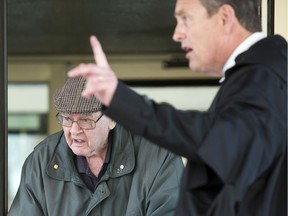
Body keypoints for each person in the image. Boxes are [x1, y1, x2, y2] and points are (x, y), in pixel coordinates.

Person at [67, 0, 287, 215]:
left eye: (185, 19)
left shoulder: (263, 77)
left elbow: (217, 139)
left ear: (224, 18)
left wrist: (120, 99)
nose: (177, 34)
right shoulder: (261, 74)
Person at [8, 76, 184, 216]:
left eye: (85, 120)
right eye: (67, 119)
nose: (74, 130)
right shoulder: (41, 160)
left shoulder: (159, 156)